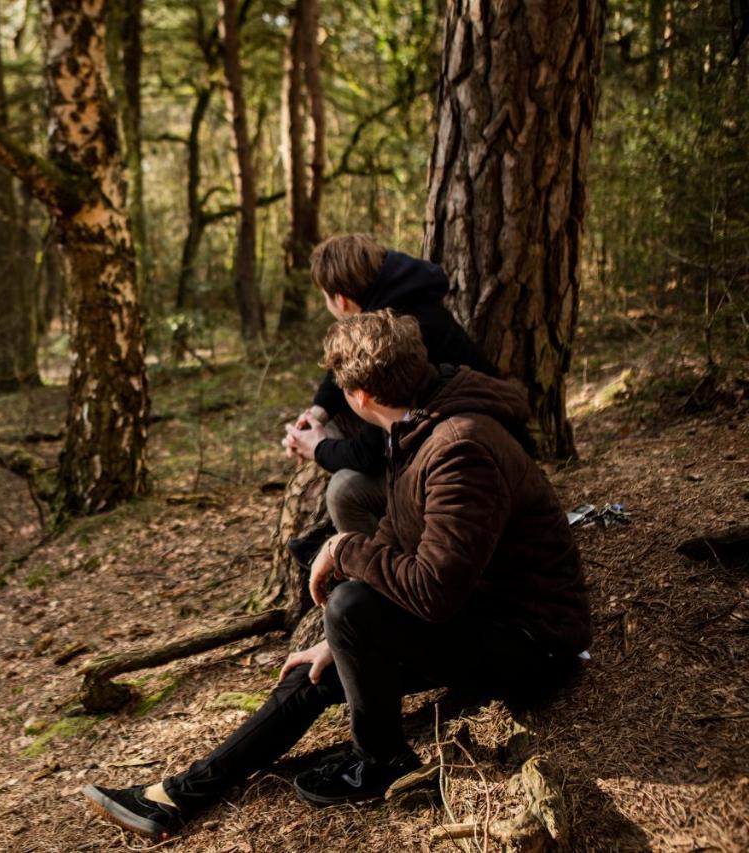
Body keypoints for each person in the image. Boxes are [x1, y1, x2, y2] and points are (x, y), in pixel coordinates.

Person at [82, 310, 591, 842]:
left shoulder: (460, 447)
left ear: (360, 396)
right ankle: (180, 794)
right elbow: (400, 537)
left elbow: (435, 594)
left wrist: (345, 548)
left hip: (536, 645)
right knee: (324, 664)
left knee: (350, 606)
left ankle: (381, 762)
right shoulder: (419, 425)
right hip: (479, 614)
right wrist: (341, 642)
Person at [282, 234, 496, 541]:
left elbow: (370, 454)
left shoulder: (392, 340)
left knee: (345, 491)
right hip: (473, 437)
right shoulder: (402, 300)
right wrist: (319, 412)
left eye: (327, 298)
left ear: (340, 300)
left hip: (468, 466)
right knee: (334, 429)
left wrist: (315, 447)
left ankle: (388, 572)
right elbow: (344, 368)